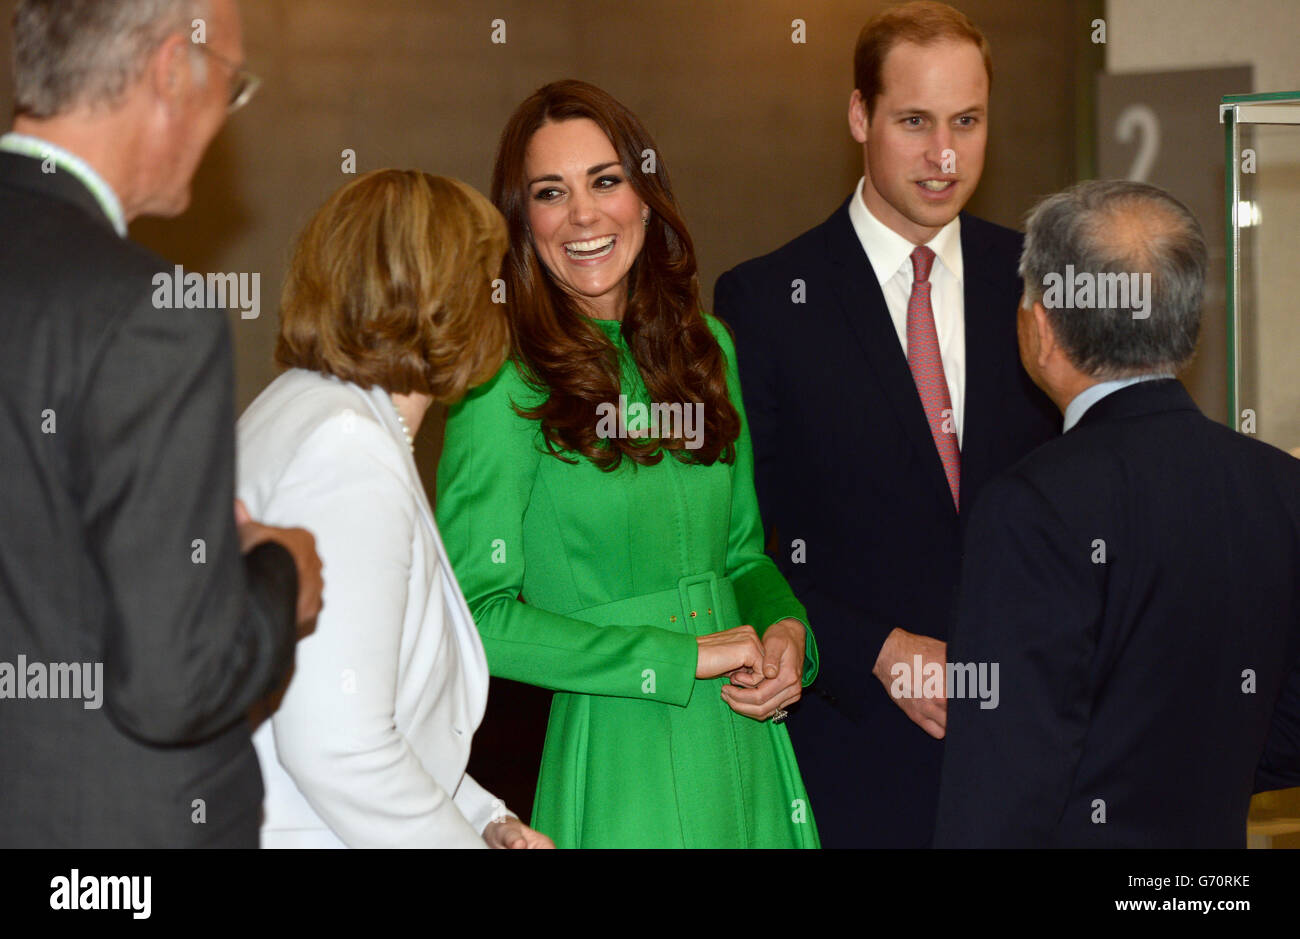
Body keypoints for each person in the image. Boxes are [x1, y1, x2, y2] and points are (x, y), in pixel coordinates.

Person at [436, 79, 819, 848]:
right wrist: (676, 655)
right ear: (523, 223)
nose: (583, 214)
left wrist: (788, 630)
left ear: (645, 197)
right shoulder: (497, 379)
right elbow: (472, 615)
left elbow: (742, 552)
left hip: (748, 746)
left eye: (606, 181)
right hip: (619, 752)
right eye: (551, 193)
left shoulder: (711, 349)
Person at [712, 0, 1059, 847]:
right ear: (860, 114)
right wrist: (872, 648)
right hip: (852, 762)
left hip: (1029, 765)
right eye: (915, 122)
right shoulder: (762, 303)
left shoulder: (1039, 287)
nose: (945, 155)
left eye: (967, 121)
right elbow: (738, 542)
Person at [0, 0, 322, 847]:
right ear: (173, 68)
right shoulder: (148, 311)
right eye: (234, 83)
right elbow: (171, 681)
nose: (225, 115)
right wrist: (276, 578)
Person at [933, 180, 1300, 848]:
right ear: (1187, 323)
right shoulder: (1281, 485)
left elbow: (999, 788)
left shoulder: (1030, 507)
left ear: (1043, 326)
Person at [237, 170, 553, 849]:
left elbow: (369, 704)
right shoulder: (346, 445)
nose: (501, 299)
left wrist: (480, 815)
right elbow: (336, 747)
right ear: (440, 297)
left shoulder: (307, 407)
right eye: (487, 280)